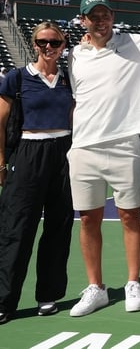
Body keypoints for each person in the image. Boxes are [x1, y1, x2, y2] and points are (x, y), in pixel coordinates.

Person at [67, 0, 140, 317]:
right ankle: (96, 287)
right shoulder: (75, 54)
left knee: (130, 216)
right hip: (84, 148)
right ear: (83, 21)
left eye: (105, 15)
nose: (100, 21)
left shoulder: (134, 44)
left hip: (123, 145)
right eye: (93, 16)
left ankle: (133, 282)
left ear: (112, 17)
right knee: (88, 219)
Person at [0, 22, 73, 324]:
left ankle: (48, 295)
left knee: (59, 229)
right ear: (33, 44)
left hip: (65, 154)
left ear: (62, 45)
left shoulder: (70, 79)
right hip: (29, 153)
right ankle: (4, 301)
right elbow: (1, 122)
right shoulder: (16, 79)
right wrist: (0, 161)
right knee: (16, 229)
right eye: (43, 42)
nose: (48, 47)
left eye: (54, 42)